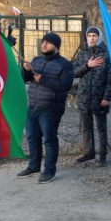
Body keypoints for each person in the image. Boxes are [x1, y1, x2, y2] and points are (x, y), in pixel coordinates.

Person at [16, 33, 74, 184]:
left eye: (48, 43)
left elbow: (65, 86)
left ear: (56, 46)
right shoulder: (37, 60)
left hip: (51, 108)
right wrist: (26, 70)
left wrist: (43, 79)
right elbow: (25, 79)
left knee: (49, 140)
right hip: (33, 106)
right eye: (43, 42)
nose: (44, 45)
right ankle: (34, 166)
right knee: (32, 138)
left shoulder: (65, 65)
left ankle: (49, 171)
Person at [72, 27, 111, 167]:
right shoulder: (83, 53)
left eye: (94, 35)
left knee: (101, 127)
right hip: (84, 96)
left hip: (99, 97)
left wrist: (107, 97)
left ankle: (102, 155)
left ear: (99, 37)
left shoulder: (107, 54)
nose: (91, 38)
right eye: (89, 35)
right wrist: (87, 65)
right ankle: (89, 152)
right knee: (86, 126)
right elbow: (74, 72)